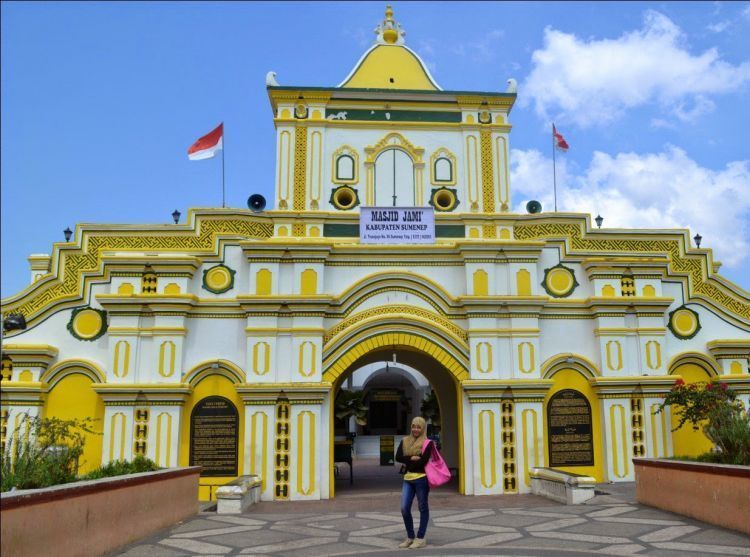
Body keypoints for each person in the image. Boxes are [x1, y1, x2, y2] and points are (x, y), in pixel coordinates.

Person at [395, 416, 432, 549]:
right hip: (408, 479)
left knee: (423, 507)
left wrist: (411, 460)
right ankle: (410, 537)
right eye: (413, 426)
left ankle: (420, 538)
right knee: (404, 508)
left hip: (422, 478)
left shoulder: (428, 443)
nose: (415, 429)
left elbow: (423, 461)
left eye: (418, 427)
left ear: (423, 428)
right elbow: (398, 457)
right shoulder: (405, 441)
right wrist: (412, 457)